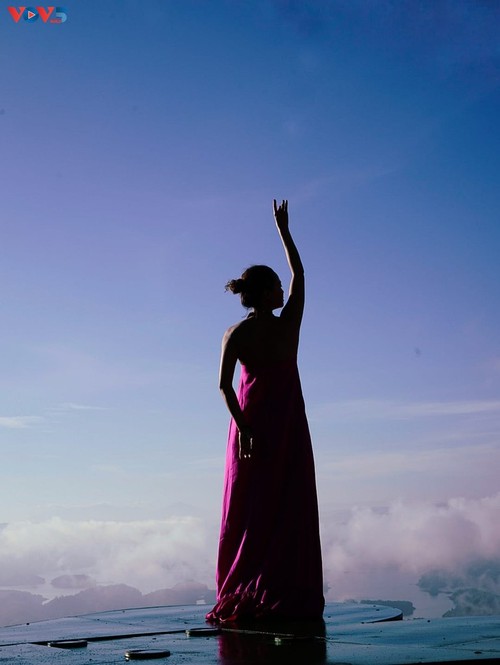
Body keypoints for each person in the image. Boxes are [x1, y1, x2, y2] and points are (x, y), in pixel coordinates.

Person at [206, 200, 324, 623]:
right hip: (287, 423)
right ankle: (286, 591)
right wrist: (284, 231)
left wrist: (243, 428)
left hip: (252, 426)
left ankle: (241, 589)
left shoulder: (234, 333)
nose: (281, 288)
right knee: (288, 504)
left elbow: (223, 386)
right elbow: (301, 274)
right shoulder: (288, 323)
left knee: (249, 510)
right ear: (266, 291)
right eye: (275, 283)